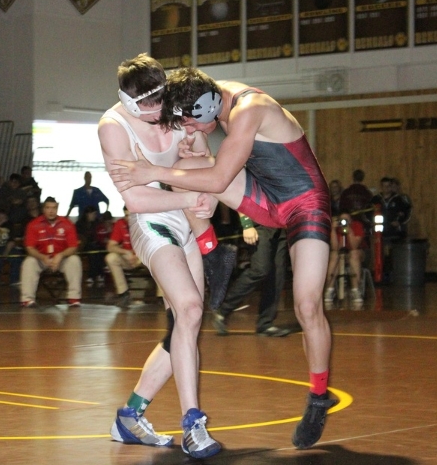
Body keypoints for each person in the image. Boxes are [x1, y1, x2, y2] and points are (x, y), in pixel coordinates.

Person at [109, 67, 337, 450]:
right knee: (188, 170)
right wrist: (190, 153)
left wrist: (153, 171)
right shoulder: (209, 97)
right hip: (264, 193)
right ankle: (212, 250)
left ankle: (318, 397)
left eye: (194, 125)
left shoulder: (250, 108)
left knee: (307, 304)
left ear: (209, 108)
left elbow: (217, 180)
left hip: (304, 203)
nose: (193, 130)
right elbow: (215, 164)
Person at [98, 54, 228, 459]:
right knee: (189, 310)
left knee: (183, 327)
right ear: (127, 100)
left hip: (186, 218)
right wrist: (193, 194)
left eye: (161, 103)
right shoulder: (113, 127)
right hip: (151, 221)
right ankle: (193, 423)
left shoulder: (171, 104)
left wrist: (196, 149)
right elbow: (135, 196)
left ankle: (130, 416)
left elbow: (203, 158)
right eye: (147, 107)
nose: (157, 113)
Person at [213, 213, 292, 336]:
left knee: (277, 276)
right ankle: (223, 310)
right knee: (260, 269)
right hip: (259, 224)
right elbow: (242, 196)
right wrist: (246, 224)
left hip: (279, 226)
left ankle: (265, 323)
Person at [20, 196, 82, 308]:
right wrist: (42, 257)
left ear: (57, 209)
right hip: (42, 259)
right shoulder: (33, 224)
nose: (51, 211)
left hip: (61, 259)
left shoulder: (67, 224)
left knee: (74, 259)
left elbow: (73, 247)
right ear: (43, 209)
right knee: (29, 262)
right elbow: (29, 248)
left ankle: (74, 298)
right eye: (48, 208)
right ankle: (27, 299)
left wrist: (61, 255)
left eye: (54, 208)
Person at [324, 211, 367, 310]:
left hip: (357, 251)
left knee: (354, 254)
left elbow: (354, 246)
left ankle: (355, 290)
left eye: (346, 220)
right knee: (334, 255)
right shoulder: (336, 228)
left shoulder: (357, 226)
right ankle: (329, 289)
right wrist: (333, 230)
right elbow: (335, 248)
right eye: (341, 220)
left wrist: (349, 231)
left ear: (351, 220)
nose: (343, 222)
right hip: (341, 253)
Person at [104, 206, 142, 307]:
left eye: (131, 215)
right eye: (126, 215)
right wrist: (125, 252)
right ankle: (123, 293)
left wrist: (138, 256)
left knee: (161, 260)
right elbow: (110, 246)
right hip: (129, 258)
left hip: (146, 258)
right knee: (111, 257)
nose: (129, 218)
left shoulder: (145, 223)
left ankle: (164, 297)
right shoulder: (120, 224)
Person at [76, 205, 105, 286]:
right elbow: (80, 237)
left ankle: (98, 274)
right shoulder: (80, 224)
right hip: (83, 246)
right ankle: (94, 275)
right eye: (93, 214)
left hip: (95, 245)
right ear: (87, 214)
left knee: (97, 250)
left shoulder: (97, 223)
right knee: (92, 250)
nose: (94, 216)